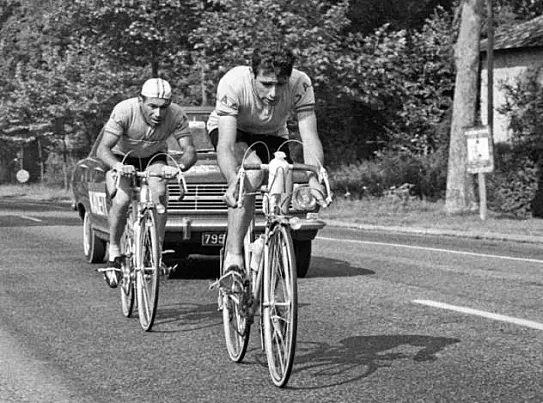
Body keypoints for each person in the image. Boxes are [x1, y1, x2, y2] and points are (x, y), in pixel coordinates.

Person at [207, 42, 325, 284]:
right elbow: (227, 145)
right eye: (266, 84)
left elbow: (309, 137)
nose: (273, 93)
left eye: (280, 85)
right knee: (250, 175)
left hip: (273, 133)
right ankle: (234, 257)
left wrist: (315, 179)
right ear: (253, 74)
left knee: (285, 181)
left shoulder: (301, 83)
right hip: (235, 130)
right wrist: (233, 180)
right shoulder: (234, 82)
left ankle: (271, 241)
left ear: (289, 78)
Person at [97, 78, 197, 288]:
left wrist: (179, 167)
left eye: (163, 107)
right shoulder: (124, 110)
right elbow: (103, 149)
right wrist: (116, 166)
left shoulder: (176, 114)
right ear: (140, 100)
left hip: (154, 157)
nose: (158, 113)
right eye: (152, 106)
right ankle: (115, 251)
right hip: (122, 157)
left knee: (159, 192)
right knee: (122, 200)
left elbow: (189, 150)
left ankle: (155, 251)